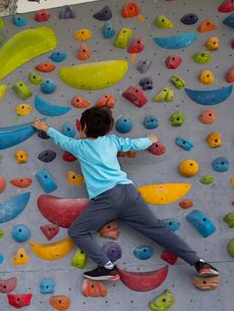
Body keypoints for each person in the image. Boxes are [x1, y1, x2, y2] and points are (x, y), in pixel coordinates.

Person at [33, 107, 218, 281]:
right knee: (157, 230)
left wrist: (45, 128)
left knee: (77, 231)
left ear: (84, 127)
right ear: (109, 128)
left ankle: (107, 267)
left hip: (107, 199)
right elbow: (134, 144)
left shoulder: (79, 146)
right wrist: (151, 139)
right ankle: (200, 263)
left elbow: (61, 140)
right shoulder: (113, 141)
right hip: (129, 192)